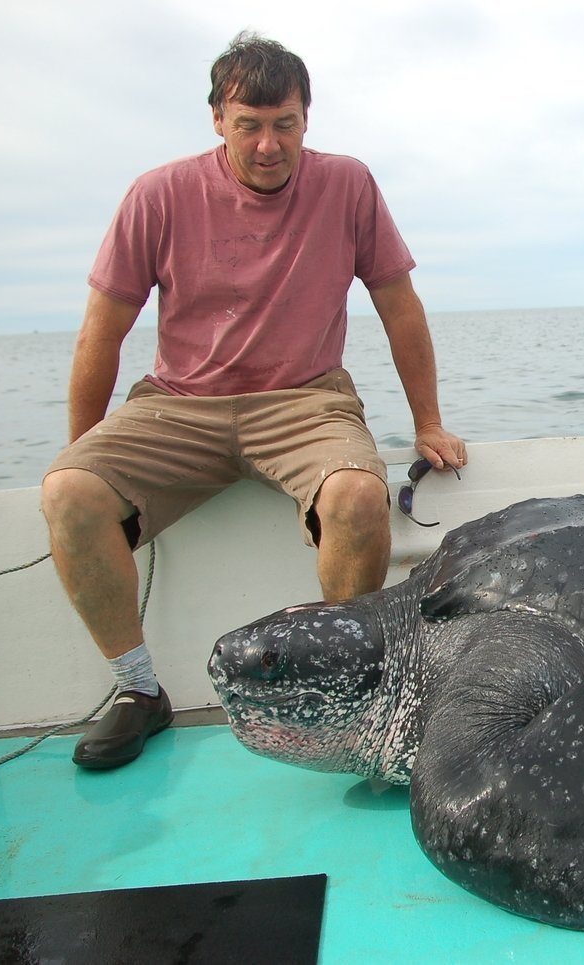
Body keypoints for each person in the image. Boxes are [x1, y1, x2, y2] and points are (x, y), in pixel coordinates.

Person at [41, 31, 466, 770]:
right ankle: (139, 691)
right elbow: (101, 333)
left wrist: (427, 420)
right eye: (249, 124)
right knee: (70, 491)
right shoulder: (157, 194)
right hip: (179, 402)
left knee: (359, 500)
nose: (268, 145)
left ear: (307, 119)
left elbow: (399, 305)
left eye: (285, 124)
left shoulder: (348, 185)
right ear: (217, 119)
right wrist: (84, 445)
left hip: (305, 400)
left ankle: (352, 692)